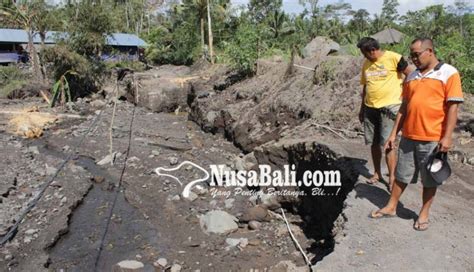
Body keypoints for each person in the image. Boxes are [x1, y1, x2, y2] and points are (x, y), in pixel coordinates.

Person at [371, 38, 464, 231]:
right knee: (401, 174)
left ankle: (424, 213)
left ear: (429, 51)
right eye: (411, 55)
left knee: (430, 178)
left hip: (432, 138)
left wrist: (447, 137)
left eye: (417, 54)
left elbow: (453, 107)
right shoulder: (411, 76)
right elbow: (404, 108)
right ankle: (391, 206)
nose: (413, 58)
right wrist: (393, 134)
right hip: (408, 136)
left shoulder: (448, 73)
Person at [357, 37, 412, 191]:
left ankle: (392, 178)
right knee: (374, 143)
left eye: (364, 53)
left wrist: (406, 95)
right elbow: (366, 87)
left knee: (388, 144)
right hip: (370, 108)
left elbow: (411, 75)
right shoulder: (366, 64)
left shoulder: (394, 58)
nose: (364, 56)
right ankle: (377, 173)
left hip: (389, 108)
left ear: (373, 50)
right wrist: (362, 109)